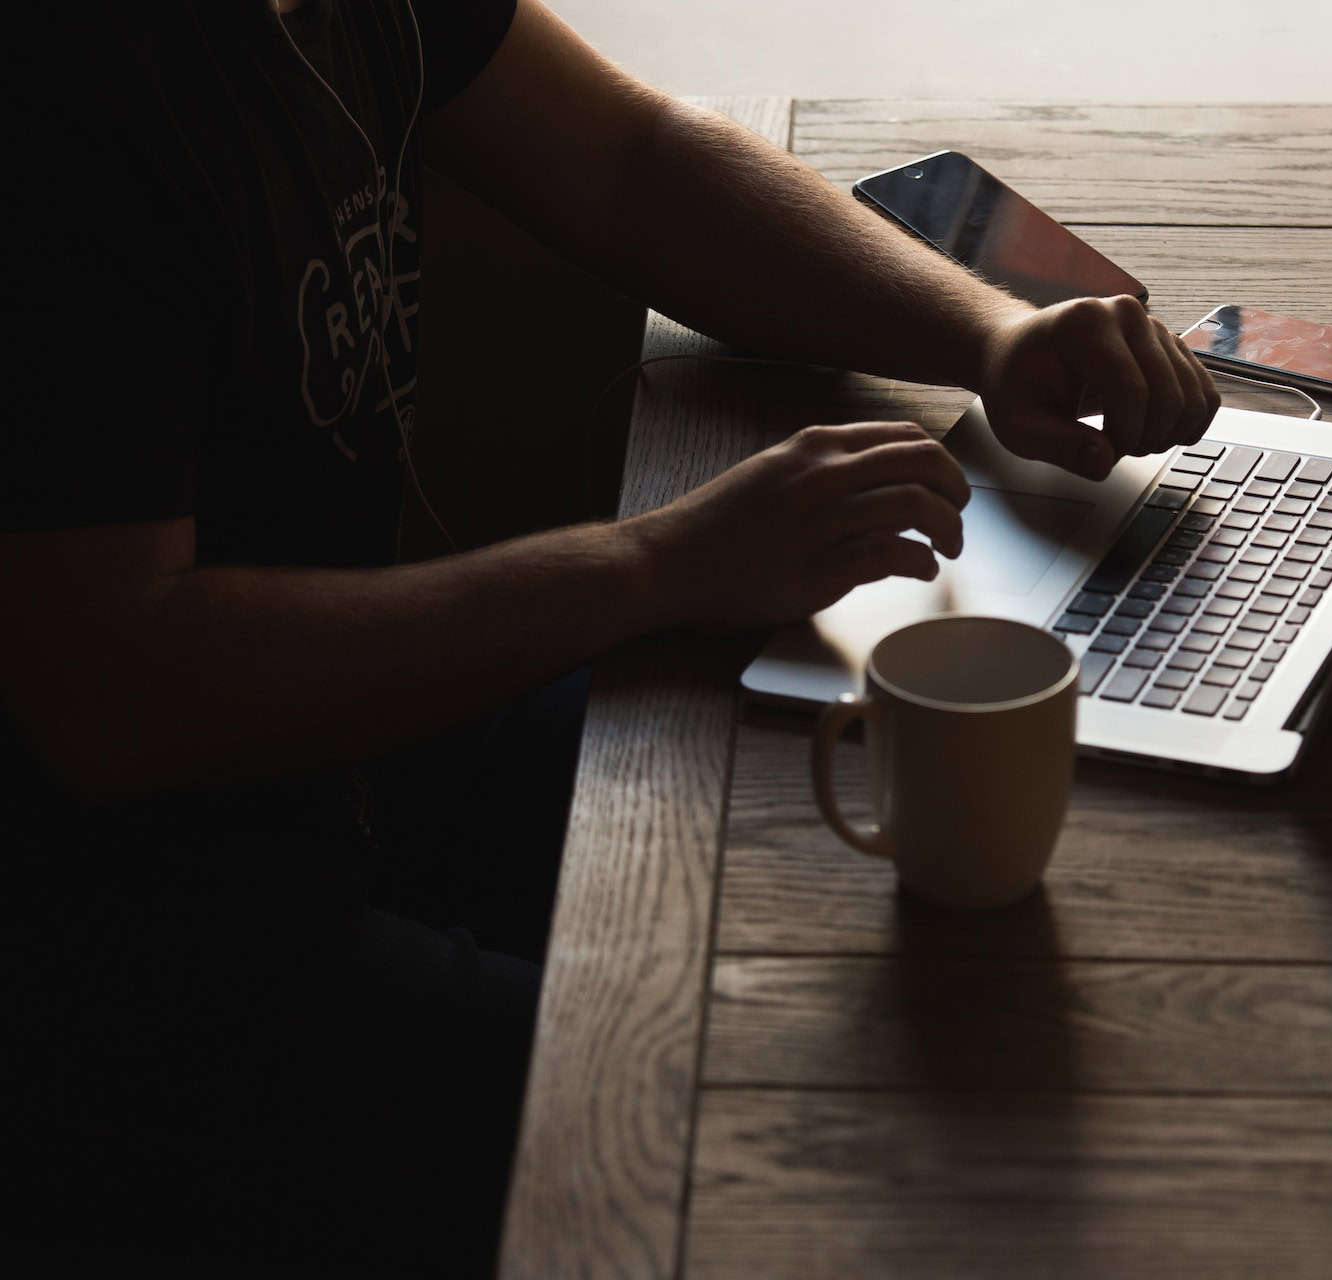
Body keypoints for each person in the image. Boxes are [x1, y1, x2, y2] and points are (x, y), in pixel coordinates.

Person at [0, 0, 1218, 1272]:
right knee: (764, 1137)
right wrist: (658, 561)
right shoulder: (59, 92)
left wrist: (987, 332)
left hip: (338, 756)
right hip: (112, 937)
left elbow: (633, 162)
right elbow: (111, 690)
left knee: (869, 825)